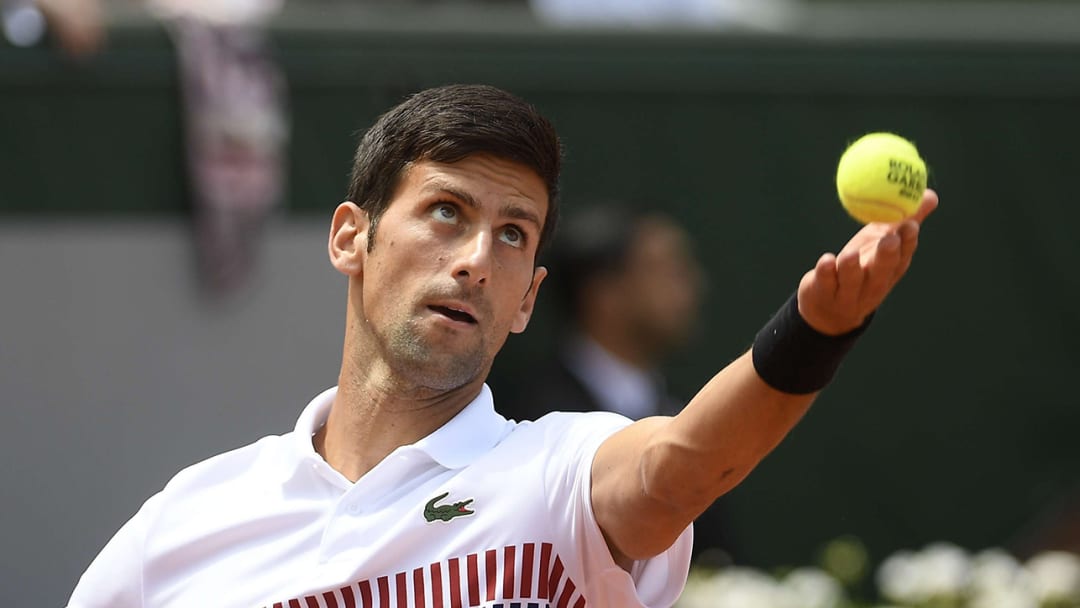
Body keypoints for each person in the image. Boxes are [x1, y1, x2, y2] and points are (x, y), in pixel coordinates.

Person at [67, 84, 938, 608]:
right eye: (446, 212)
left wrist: (818, 329)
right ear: (351, 239)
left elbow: (684, 462)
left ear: (530, 300)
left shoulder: (559, 473)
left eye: (515, 234)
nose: (478, 260)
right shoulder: (186, 523)